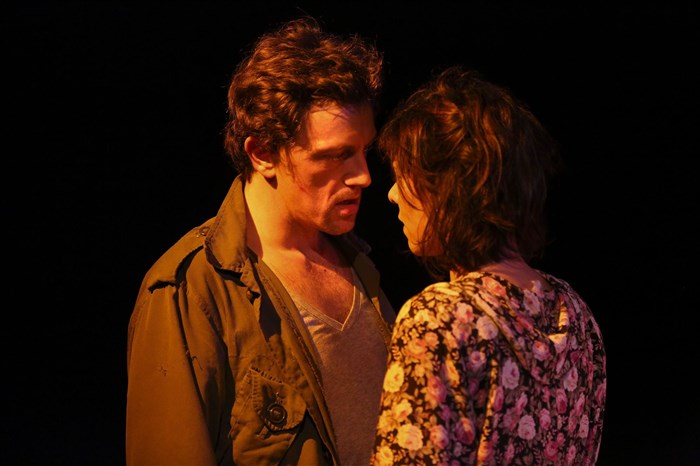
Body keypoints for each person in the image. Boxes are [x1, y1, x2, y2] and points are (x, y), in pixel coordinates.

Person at [126, 17, 395, 466]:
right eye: (335, 155)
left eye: (364, 150)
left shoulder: (361, 267)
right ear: (263, 153)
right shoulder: (190, 291)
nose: (364, 176)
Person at [370, 66, 607, 465]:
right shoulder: (578, 315)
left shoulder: (438, 318)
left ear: (447, 187)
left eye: (405, 175)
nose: (392, 194)